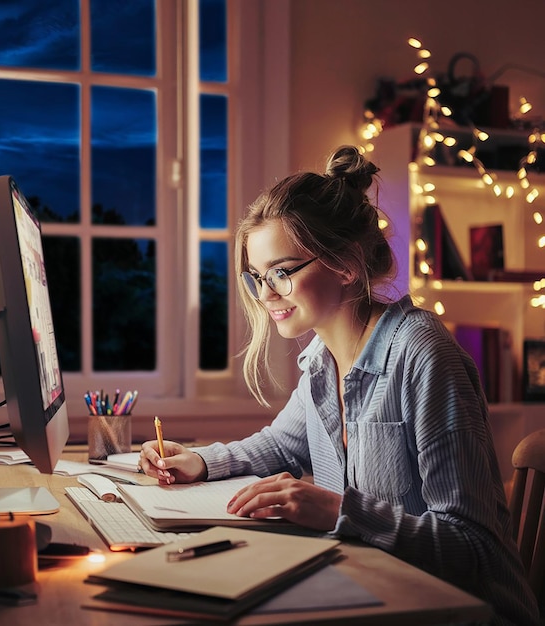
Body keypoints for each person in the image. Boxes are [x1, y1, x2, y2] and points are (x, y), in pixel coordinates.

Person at [140, 145, 539, 625]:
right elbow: (279, 446)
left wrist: (340, 511)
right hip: (375, 593)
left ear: (347, 264)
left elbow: (473, 550)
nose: (266, 295)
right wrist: (199, 462)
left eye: (282, 273)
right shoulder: (321, 361)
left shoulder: (423, 355)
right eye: (256, 278)